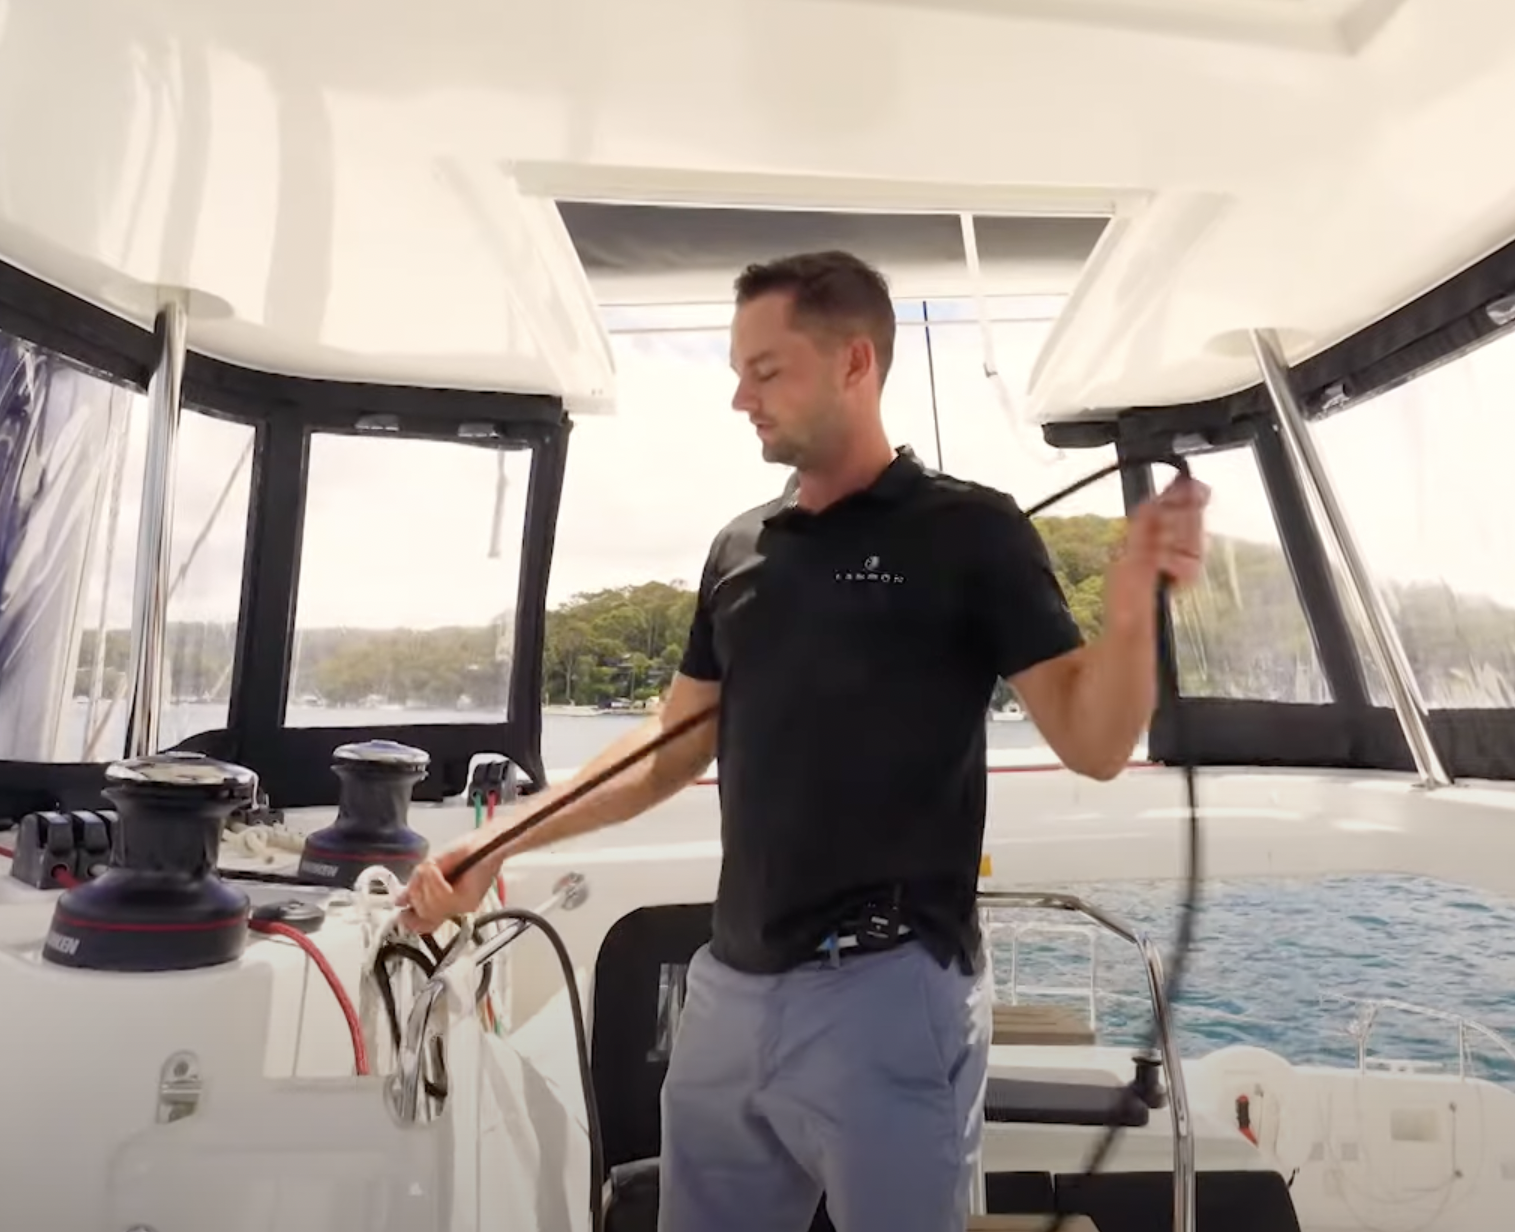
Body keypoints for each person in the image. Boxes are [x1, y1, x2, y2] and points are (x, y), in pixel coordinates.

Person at [405, 249, 1208, 1232]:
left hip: (888, 995)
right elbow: (669, 745)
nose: (739, 397)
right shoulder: (741, 547)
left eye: (765, 370)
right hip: (727, 992)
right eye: (737, 370)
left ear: (854, 362)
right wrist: (496, 844)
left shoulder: (973, 531)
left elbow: (1091, 739)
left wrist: (1132, 604)